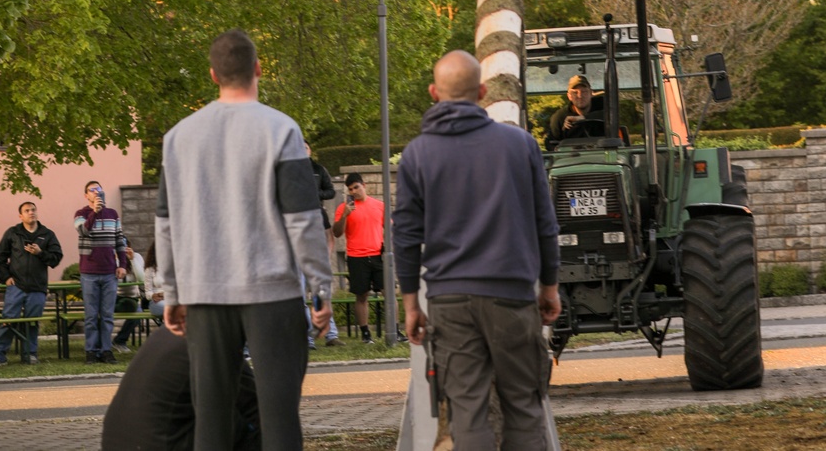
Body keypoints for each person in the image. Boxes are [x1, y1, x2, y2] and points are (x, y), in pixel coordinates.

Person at [156, 28, 333, 451]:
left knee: (212, 419)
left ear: (213, 75)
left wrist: (172, 291)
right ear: (257, 69)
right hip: (272, 293)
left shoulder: (178, 137)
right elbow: (303, 220)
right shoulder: (281, 130)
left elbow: (165, 223)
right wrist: (321, 287)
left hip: (204, 292)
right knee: (279, 416)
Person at [393, 50, 561, 451]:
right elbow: (545, 222)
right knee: (523, 403)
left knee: (467, 410)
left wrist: (411, 303)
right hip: (511, 294)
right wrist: (550, 287)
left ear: (434, 93)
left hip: (450, 299)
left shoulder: (417, 154)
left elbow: (405, 235)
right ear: (482, 91)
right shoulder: (520, 145)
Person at [101, 323, 261, 451]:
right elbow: (254, 411)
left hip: (118, 442)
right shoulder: (212, 340)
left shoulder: (168, 331)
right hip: (163, 443)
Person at [0, 201, 63, 365]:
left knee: (32, 322)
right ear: (21, 215)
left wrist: (41, 253)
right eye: (27, 210)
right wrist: (6, 278)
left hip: (37, 287)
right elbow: (0, 258)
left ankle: (30, 354)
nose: (31, 212)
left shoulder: (47, 234)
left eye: (33, 210)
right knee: (8, 320)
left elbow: (56, 258)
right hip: (16, 286)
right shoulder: (13, 233)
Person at [74, 179, 127, 363]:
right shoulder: (81, 214)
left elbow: (120, 240)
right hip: (89, 272)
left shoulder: (113, 214)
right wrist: (95, 213)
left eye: (99, 189)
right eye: (92, 190)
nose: (96, 192)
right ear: (86, 195)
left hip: (109, 272)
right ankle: (91, 350)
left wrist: (123, 265)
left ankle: (106, 350)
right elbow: (83, 231)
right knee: (90, 315)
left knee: (107, 315)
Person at [332, 173, 384, 344]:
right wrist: (345, 215)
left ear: (364, 185)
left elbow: (390, 227)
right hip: (356, 256)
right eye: (351, 189)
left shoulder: (379, 205)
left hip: (377, 255)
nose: (354, 191)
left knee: (388, 293)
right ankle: (366, 334)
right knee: (362, 296)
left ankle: (395, 330)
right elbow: (337, 233)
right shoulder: (344, 208)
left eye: (356, 187)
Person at [546, 74, 605, 148]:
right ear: (569, 96)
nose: (580, 96)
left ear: (591, 93)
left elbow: (614, 116)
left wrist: (582, 118)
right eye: (575, 93)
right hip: (572, 157)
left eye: (584, 92)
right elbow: (551, 144)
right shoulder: (559, 117)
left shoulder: (605, 106)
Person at [113, 245, 147, 351]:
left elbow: (141, 279)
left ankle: (120, 341)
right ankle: (101, 343)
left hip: (132, 298)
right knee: (102, 312)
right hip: (114, 297)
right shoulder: (110, 258)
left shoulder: (136, 257)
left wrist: (132, 259)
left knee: (137, 314)